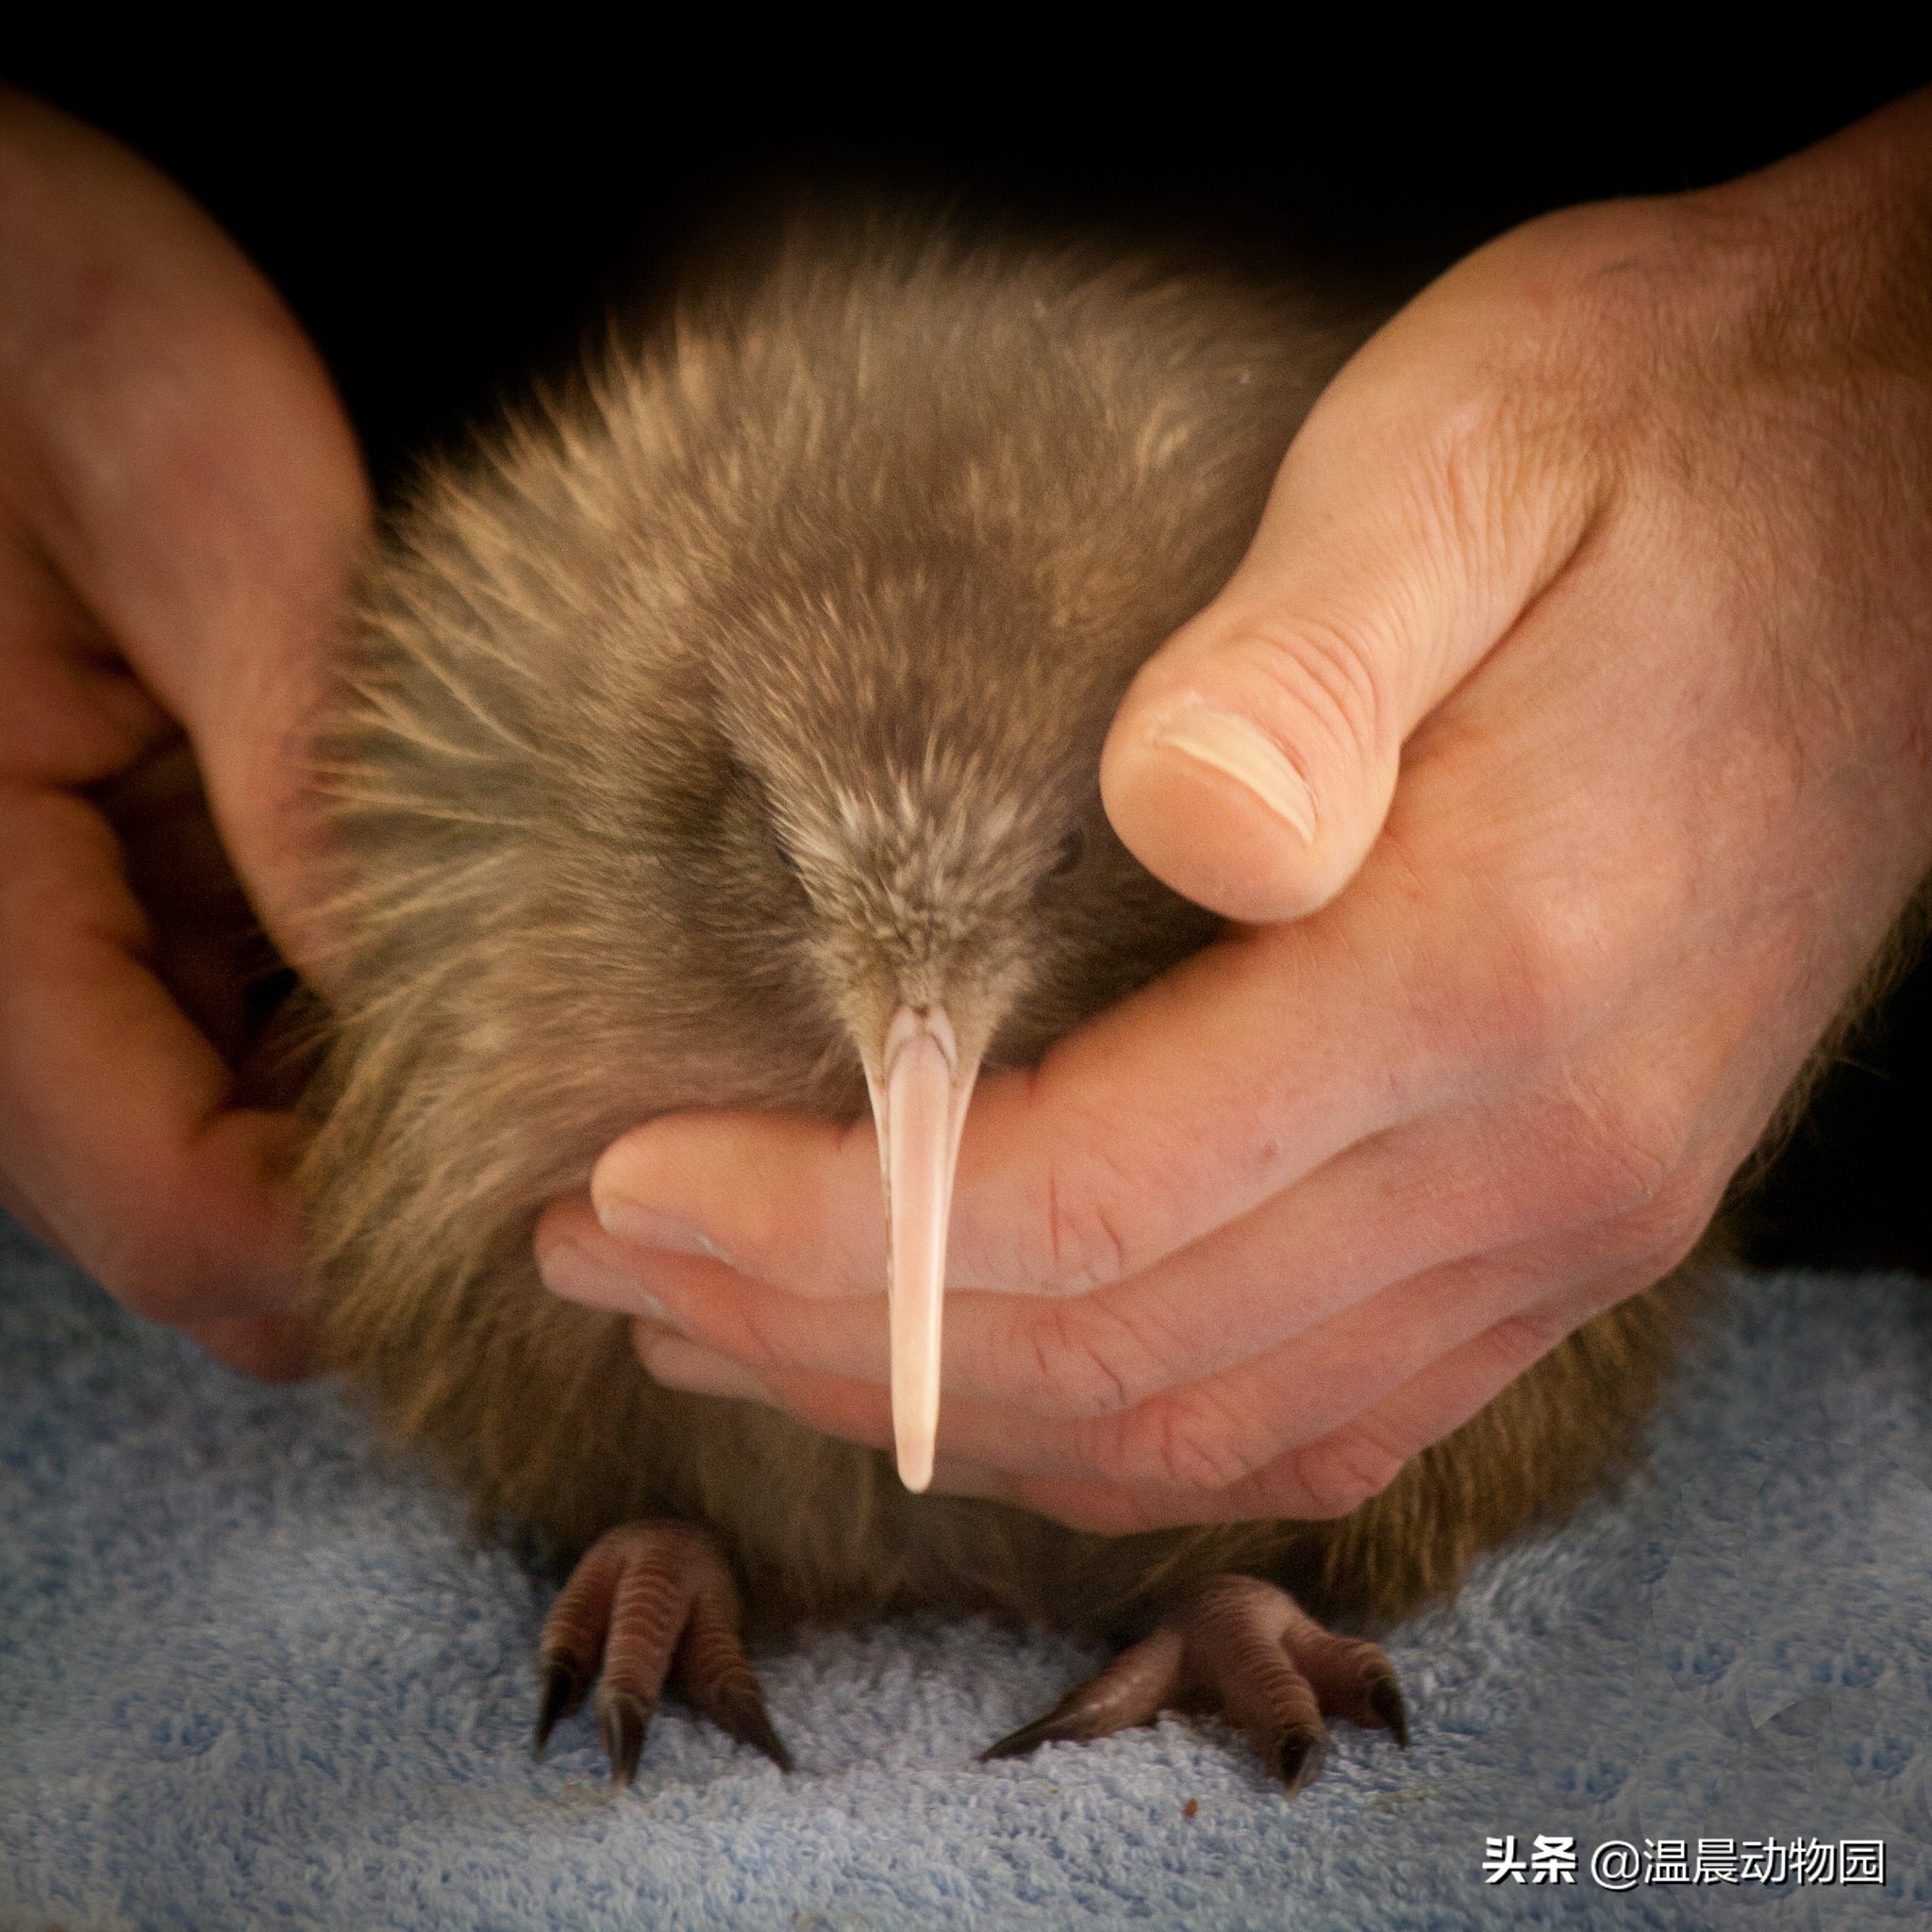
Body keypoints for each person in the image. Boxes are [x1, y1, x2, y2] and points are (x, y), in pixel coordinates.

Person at [6, 82, 1929, 1529]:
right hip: (200, 641)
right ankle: (658, 1530)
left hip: (1580, 686)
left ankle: (1255, 1572)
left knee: (1431, 1252)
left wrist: (1867, 430)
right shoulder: (561, 773)